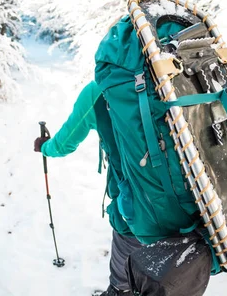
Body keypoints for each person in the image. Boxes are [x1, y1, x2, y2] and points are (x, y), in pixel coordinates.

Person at [34, 80, 141, 296]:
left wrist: (45, 147)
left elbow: (64, 143)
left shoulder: (99, 90)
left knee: (124, 279)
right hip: (186, 200)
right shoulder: (172, 75)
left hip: (133, 206)